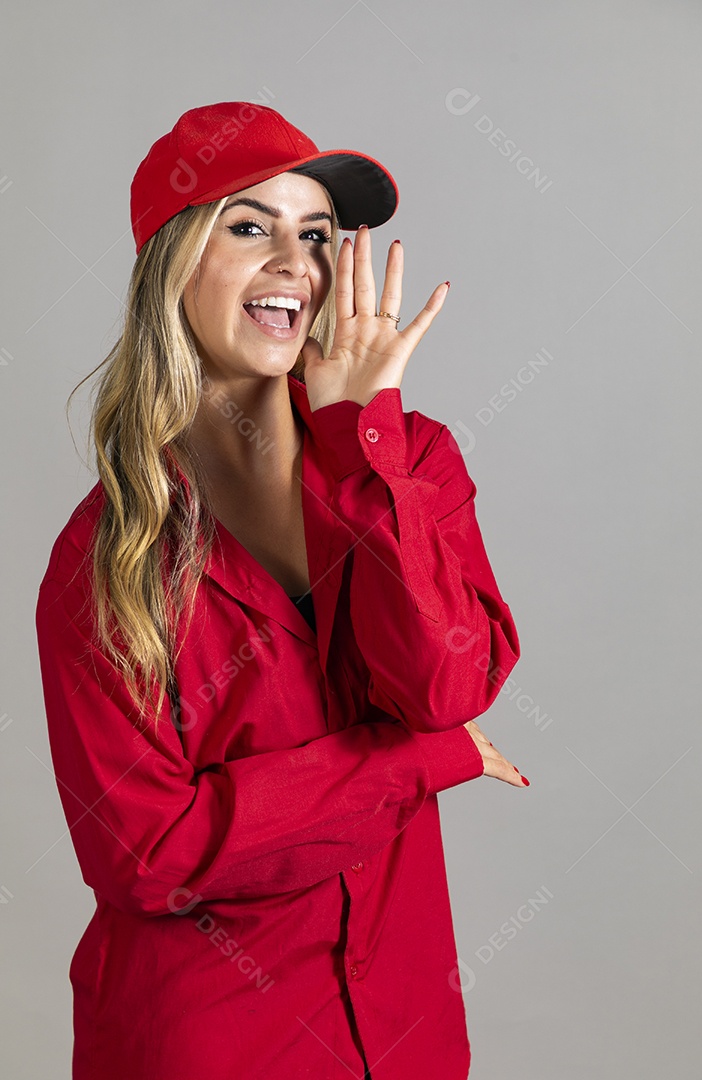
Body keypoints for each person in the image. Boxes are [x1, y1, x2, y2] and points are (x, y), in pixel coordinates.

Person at [34, 101, 527, 1080]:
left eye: (315, 237)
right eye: (250, 226)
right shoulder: (104, 558)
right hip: (208, 1046)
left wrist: (357, 439)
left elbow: (444, 690)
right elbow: (151, 859)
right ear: (172, 262)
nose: (294, 267)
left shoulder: (410, 458)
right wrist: (410, 763)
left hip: (405, 1040)